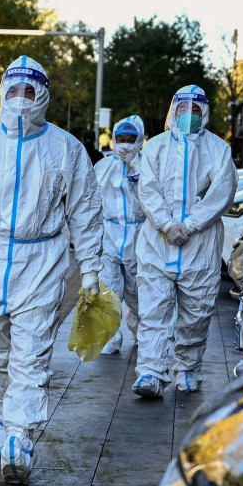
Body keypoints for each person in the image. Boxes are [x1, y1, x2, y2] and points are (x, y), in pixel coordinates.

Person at [0, 56, 103, 484]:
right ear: (1, 94)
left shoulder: (66, 149)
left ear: (43, 95)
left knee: (31, 353)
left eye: (30, 91)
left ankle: (18, 439)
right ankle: (2, 413)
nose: (22, 100)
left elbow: (85, 212)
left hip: (41, 261)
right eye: (14, 91)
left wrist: (90, 269)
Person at [132, 85, 238, 398]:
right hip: (157, 243)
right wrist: (167, 224)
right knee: (153, 310)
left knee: (197, 313)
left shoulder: (218, 149)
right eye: (183, 108)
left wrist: (190, 225)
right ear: (173, 111)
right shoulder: (156, 147)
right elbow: (148, 190)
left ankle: (188, 367)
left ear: (204, 112)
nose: (188, 114)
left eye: (195, 109)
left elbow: (223, 191)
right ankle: (151, 372)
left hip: (200, 245)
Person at [94, 115, 146, 355]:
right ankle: (110, 338)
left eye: (130, 139)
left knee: (138, 293)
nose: (125, 144)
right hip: (109, 236)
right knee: (108, 289)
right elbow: (91, 202)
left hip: (139, 236)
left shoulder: (148, 167)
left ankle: (143, 334)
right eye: (121, 138)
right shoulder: (103, 167)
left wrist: (137, 166)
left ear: (140, 140)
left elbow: (155, 194)